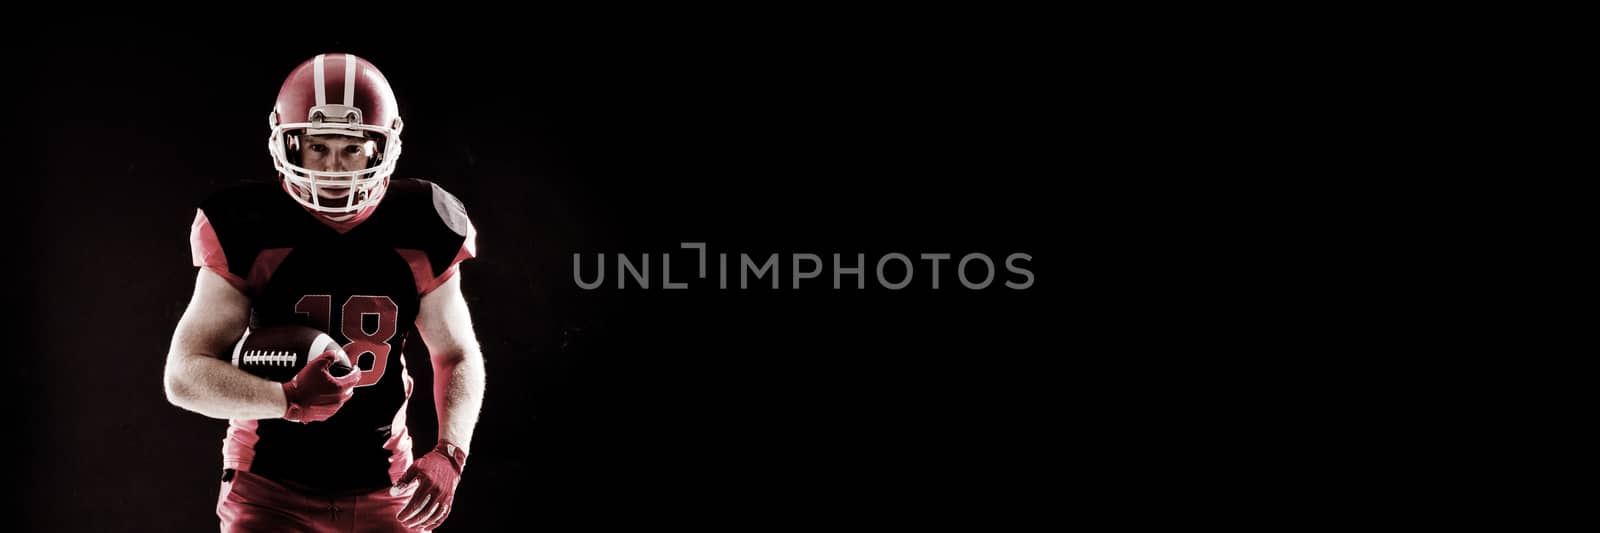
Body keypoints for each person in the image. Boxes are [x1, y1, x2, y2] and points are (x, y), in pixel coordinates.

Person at [162, 53, 487, 532]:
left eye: (352, 149)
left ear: (383, 149)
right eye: (318, 147)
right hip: (270, 487)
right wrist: (287, 399)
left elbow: (456, 354)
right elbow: (185, 374)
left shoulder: (423, 222)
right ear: (288, 144)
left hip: (386, 481)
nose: (334, 168)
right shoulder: (248, 225)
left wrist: (450, 452)